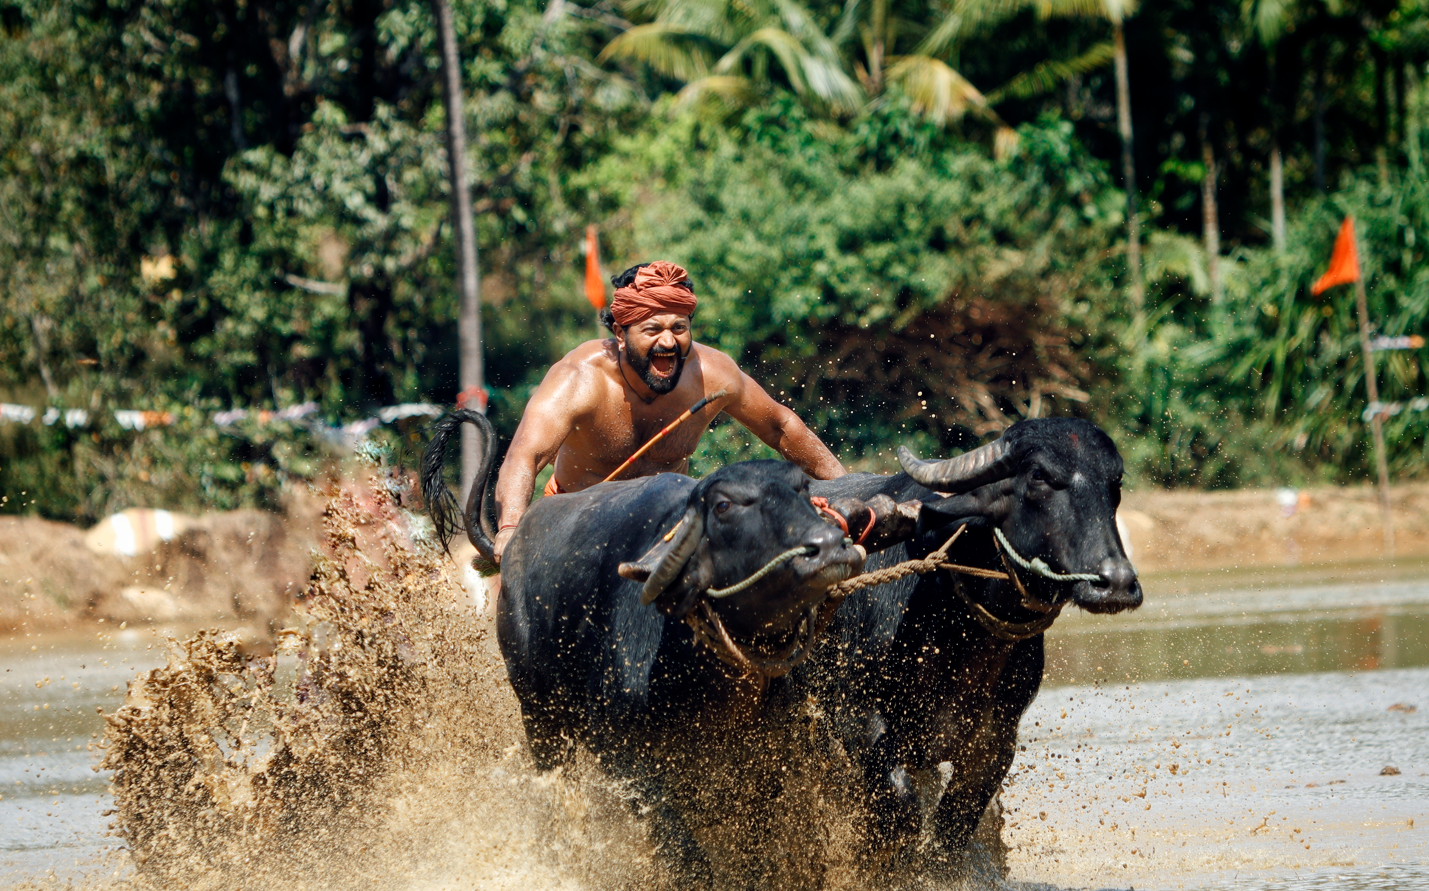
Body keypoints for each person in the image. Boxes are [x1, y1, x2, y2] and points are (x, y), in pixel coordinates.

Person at [491, 260, 847, 562]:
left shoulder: (712, 374)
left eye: (679, 328)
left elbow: (780, 426)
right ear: (620, 332)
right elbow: (525, 456)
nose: (667, 341)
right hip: (580, 527)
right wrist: (509, 528)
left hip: (670, 529)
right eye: (652, 329)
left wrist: (848, 488)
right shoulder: (579, 379)